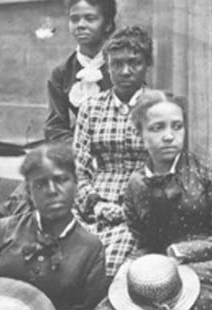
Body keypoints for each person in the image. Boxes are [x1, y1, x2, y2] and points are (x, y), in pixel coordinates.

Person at [117, 90, 212, 309]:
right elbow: (145, 241)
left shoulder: (211, 172)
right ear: (139, 134)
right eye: (157, 128)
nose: (169, 136)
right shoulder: (136, 185)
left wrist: (180, 252)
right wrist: (133, 265)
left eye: (177, 126)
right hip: (161, 274)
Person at [0, 144, 107, 310]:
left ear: (76, 185)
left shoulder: (91, 250)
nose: (52, 191)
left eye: (61, 180)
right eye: (40, 184)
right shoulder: (2, 230)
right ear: (29, 193)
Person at [73, 25, 151, 277]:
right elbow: (78, 168)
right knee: (67, 261)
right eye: (116, 64)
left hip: (140, 212)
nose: (125, 71)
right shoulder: (92, 108)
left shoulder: (159, 107)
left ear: (146, 64)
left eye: (134, 63)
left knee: (106, 269)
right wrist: (94, 204)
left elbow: (166, 170)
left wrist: (130, 209)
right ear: (106, 67)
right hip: (92, 208)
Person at [46, 0, 117, 143]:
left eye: (90, 18)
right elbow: (55, 127)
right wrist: (79, 149)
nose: (80, 25)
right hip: (78, 149)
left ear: (107, 24)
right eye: (74, 19)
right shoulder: (62, 73)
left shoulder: (121, 65)